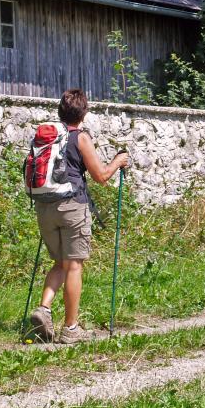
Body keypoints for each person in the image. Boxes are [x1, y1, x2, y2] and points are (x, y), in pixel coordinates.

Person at [28, 89, 129, 344]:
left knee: (60, 263)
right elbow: (101, 176)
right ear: (83, 113)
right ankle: (71, 329)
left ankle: (44, 309)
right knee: (74, 265)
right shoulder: (80, 137)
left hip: (45, 206)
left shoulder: (49, 138)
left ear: (60, 112)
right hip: (72, 206)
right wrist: (118, 161)